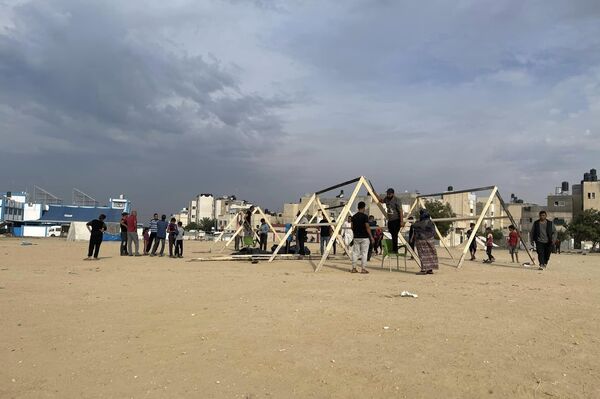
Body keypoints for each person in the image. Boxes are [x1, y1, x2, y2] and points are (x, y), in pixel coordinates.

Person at [412, 210, 439, 274]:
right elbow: (433, 232)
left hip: (421, 241)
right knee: (431, 254)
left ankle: (424, 269)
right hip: (430, 240)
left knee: (423, 254)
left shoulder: (418, 223)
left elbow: (414, 226)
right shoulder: (430, 223)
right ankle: (430, 269)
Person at [350, 201, 373, 274]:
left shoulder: (353, 217)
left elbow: (352, 227)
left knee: (355, 253)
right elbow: (367, 227)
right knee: (364, 253)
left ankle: (354, 268)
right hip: (364, 237)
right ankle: (363, 269)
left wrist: (355, 232)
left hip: (356, 237)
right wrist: (371, 237)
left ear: (358, 207)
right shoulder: (365, 216)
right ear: (364, 207)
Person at [379, 188, 404, 253]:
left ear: (393, 194)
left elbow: (400, 211)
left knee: (395, 234)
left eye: (389, 194)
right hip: (390, 220)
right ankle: (395, 247)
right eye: (387, 194)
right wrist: (375, 194)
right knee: (392, 234)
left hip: (396, 220)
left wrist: (401, 221)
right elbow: (381, 201)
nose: (388, 195)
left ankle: (395, 249)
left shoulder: (397, 200)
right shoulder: (386, 199)